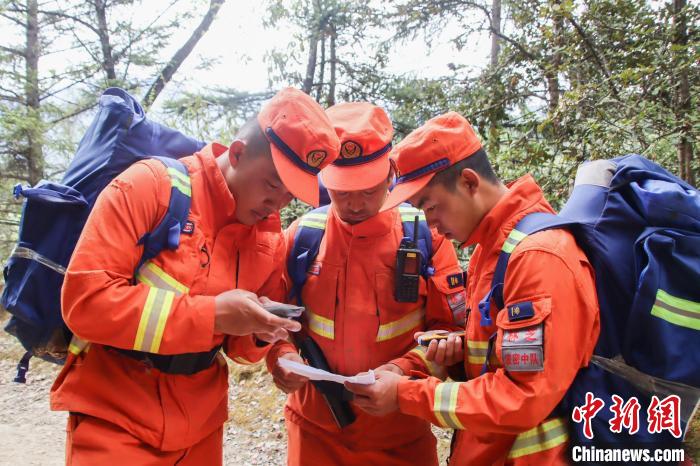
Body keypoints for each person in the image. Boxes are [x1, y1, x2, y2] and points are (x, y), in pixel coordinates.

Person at [50, 88, 341, 465]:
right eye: (272, 184)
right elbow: (84, 303)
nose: (277, 204)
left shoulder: (267, 239)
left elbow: (241, 351)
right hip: (115, 417)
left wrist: (263, 332)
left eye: (290, 195)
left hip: (202, 428)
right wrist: (212, 315)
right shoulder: (149, 186)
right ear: (236, 153)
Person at [346, 112, 600, 465]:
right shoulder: (490, 251)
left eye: (431, 206)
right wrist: (460, 358)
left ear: (468, 182)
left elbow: (522, 397)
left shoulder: (537, 257)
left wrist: (406, 394)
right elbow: (508, 361)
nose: (431, 225)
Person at [266, 102, 467, 465]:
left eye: (368, 190)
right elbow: (274, 322)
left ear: (389, 172)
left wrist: (402, 370)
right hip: (315, 432)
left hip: (399, 434)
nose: (355, 204)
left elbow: (449, 331)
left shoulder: (425, 237)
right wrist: (280, 357)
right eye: (342, 192)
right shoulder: (302, 238)